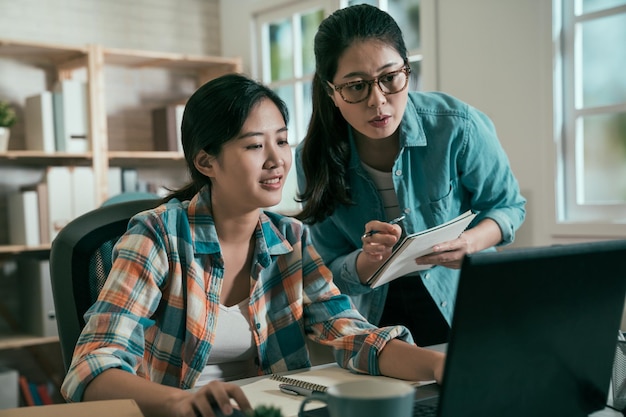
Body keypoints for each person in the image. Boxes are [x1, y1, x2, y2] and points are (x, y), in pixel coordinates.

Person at [60, 73, 445, 417]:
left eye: (281, 141)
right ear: (206, 162)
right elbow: (91, 367)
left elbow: (350, 332)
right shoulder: (157, 236)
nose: (277, 160)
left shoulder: (290, 239)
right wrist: (178, 402)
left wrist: (438, 366)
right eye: (254, 146)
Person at [295, 4, 526, 347]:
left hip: (463, 296)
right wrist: (366, 260)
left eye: (390, 78)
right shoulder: (313, 159)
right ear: (332, 93)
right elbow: (329, 267)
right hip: (375, 315)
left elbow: (508, 207)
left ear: (407, 70)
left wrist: (470, 244)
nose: (378, 101)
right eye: (356, 87)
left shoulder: (456, 125)